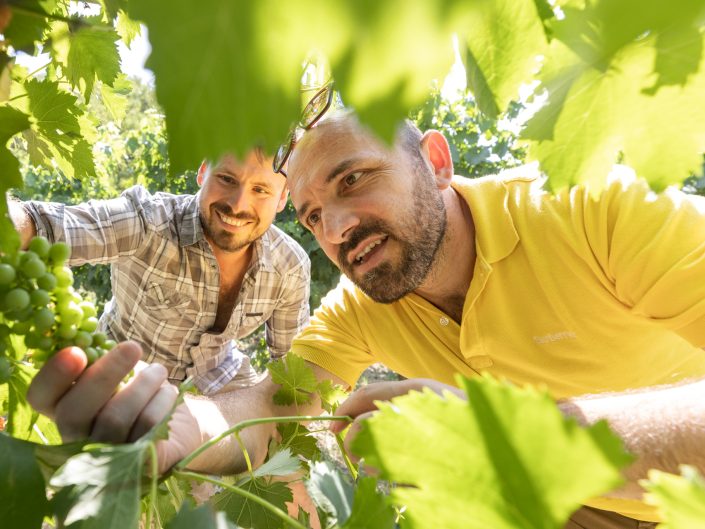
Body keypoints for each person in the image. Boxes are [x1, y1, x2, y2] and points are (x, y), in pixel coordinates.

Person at [26, 108, 705, 528]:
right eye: (313, 214)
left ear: (435, 162)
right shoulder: (363, 304)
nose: (338, 227)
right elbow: (276, 400)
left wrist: (514, 445)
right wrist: (183, 430)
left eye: (353, 180)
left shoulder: (596, 211)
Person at [12, 150, 310, 395]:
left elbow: (291, 368)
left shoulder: (290, 267)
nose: (238, 204)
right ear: (203, 172)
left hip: (220, 387)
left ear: (283, 198)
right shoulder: (148, 222)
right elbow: (45, 226)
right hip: (118, 380)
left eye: (261, 190)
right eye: (227, 178)